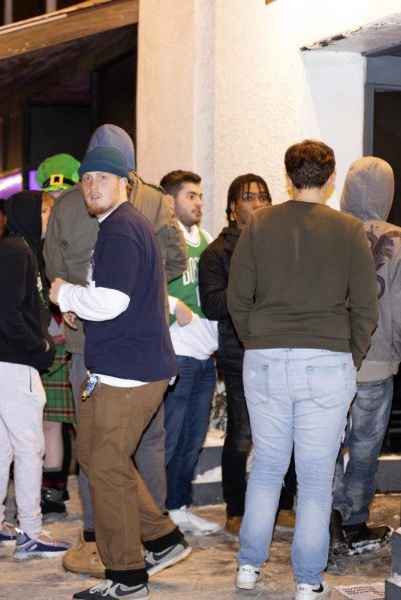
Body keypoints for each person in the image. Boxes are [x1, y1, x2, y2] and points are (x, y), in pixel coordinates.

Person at [228, 140, 378, 600]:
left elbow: (237, 298)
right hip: (327, 361)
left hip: (266, 360)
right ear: (330, 180)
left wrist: (258, 339)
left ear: (287, 178)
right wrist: (347, 357)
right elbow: (366, 309)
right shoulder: (350, 230)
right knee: (315, 479)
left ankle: (249, 567)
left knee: (268, 469)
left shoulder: (259, 226)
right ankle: (308, 581)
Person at [43, 124, 187, 578]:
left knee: (105, 464)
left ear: (125, 180)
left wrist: (66, 296)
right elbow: (171, 263)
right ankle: (161, 538)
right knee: (101, 455)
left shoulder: (121, 227)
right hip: (118, 357)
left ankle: (125, 570)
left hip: (126, 362)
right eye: (87, 178)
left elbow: (107, 298)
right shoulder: (135, 215)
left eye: (101, 178)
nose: (91, 185)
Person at [0, 190, 71, 558]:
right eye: (45, 212)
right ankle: (31, 531)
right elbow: (5, 311)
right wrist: (39, 346)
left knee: (1, 444)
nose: (49, 219)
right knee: (31, 446)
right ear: (30, 213)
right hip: (10, 361)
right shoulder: (17, 252)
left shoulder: (14, 247)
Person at [198, 174, 298, 536]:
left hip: (283, 350)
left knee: (284, 431)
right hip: (240, 355)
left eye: (263, 196)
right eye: (248, 197)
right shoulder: (217, 253)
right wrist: (251, 293)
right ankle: (236, 509)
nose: (257, 203)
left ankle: (285, 505)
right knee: (241, 435)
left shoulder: (284, 244)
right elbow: (211, 304)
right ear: (232, 208)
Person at [331, 157, 401, 555]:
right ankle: (355, 524)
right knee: (364, 448)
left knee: (326, 444)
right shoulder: (397, 238)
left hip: (329, 359)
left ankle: (326, 521)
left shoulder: (328, 229)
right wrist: (397, 351)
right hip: (376, 362)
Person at [157, 170, 221, 536]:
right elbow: (143, 286)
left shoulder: (206, 239)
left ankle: (178, 507)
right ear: (169, 200)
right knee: (168, 438)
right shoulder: (162, 239)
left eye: (200, 196)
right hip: (176, 352)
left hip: (203, 354)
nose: (198, 203)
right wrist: (173, 305)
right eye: (190, 196)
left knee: (193, 439)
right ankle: (153, 512)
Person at [35, 154, 81, 519]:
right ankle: (47, 486)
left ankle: (55, 489)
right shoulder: (32, 247)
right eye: (48, 208)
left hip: (66, 340)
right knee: (45, 420)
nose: (51, 215)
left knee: (57, 420)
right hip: (41, 341)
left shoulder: (78, 243)